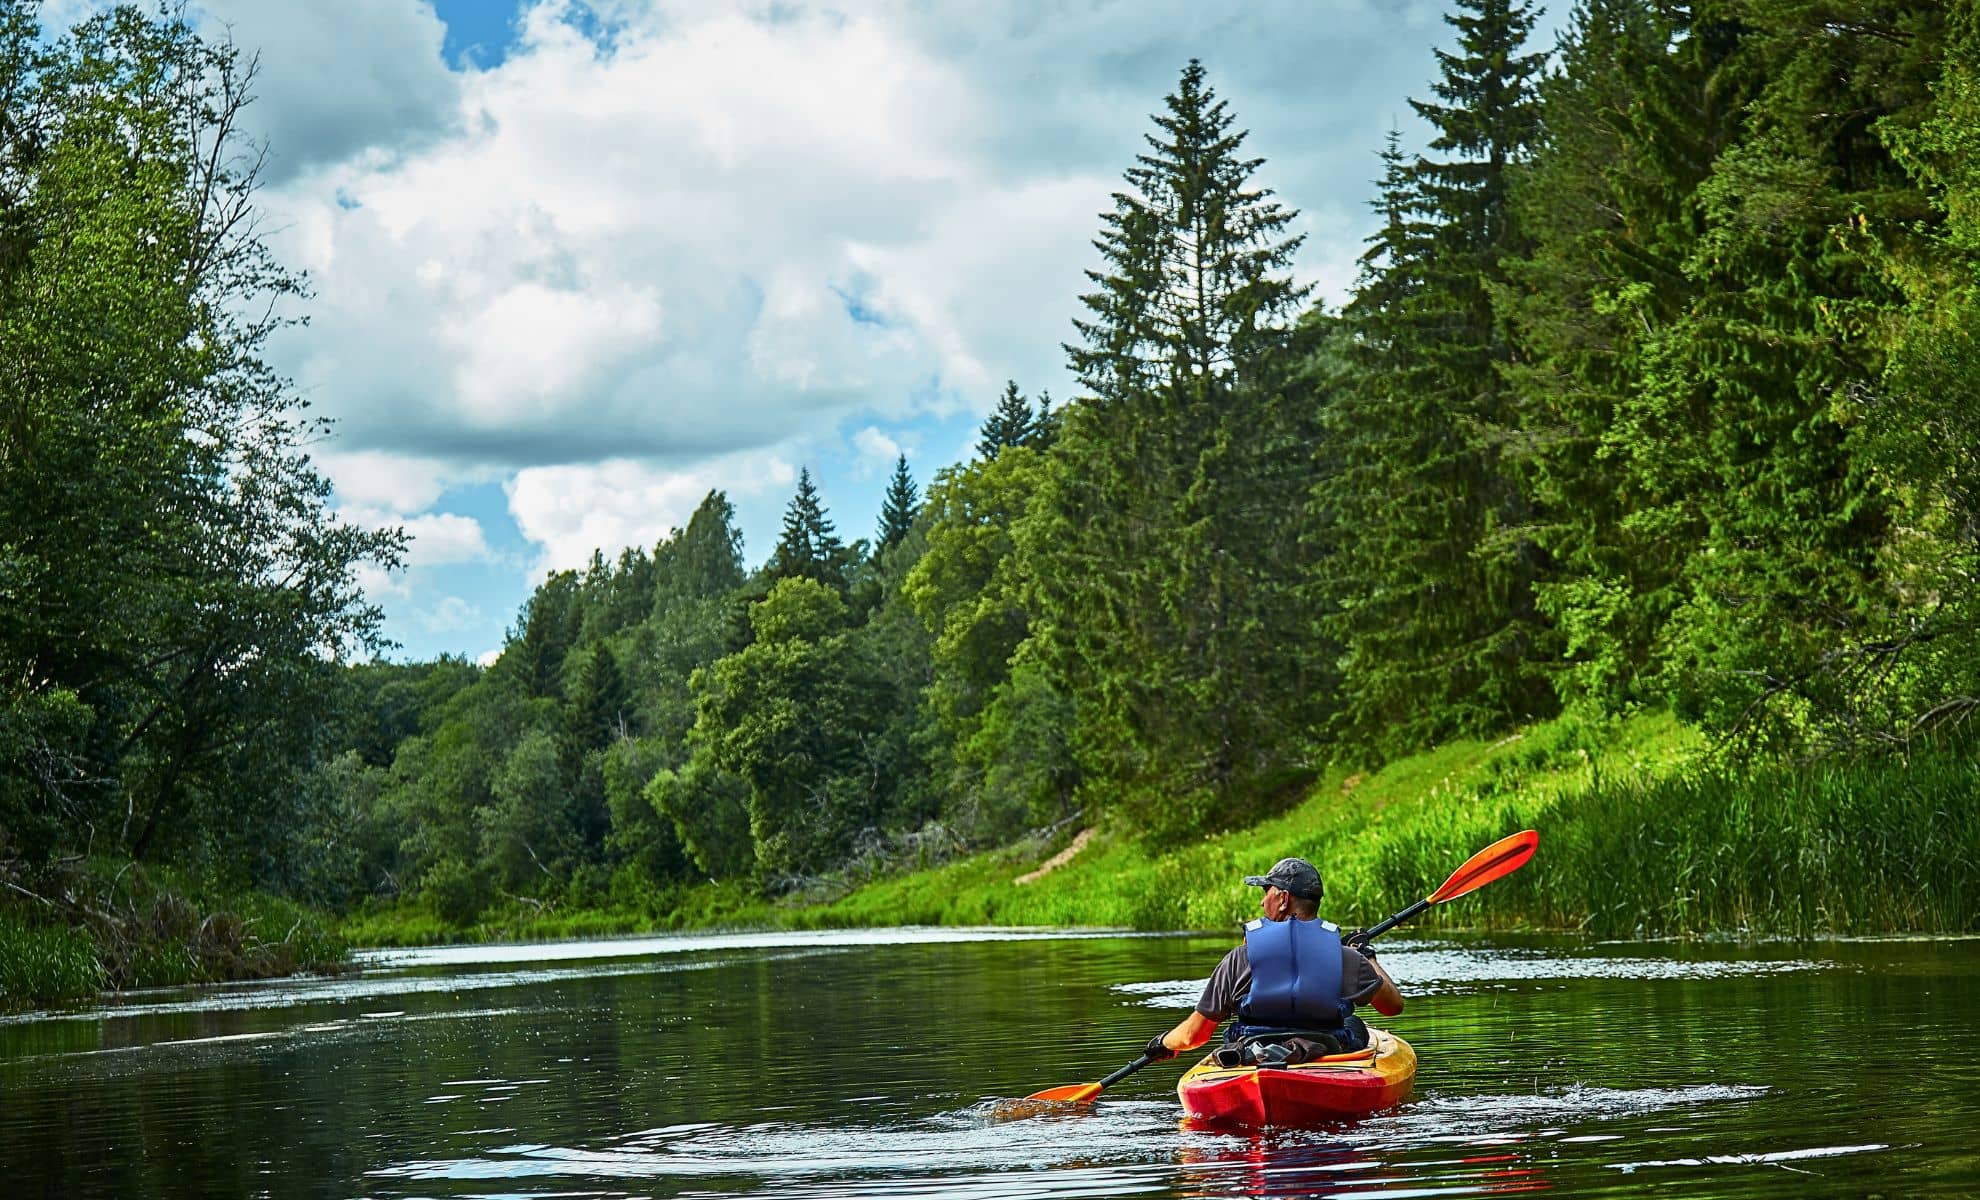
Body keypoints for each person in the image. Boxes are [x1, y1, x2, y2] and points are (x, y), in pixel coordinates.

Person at [1142, 856, 1404, 1067]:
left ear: (1283, 898)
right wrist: (1366, 955)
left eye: (1266, 890)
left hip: (1253, 1050)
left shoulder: (1239, 959)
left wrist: (1164, 1042)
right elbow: (1393, 1006)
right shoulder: (1346, 957)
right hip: (1325, 1049)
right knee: (1354, 1025)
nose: (1261, 899)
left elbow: (1193, 1036)